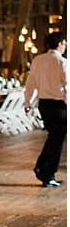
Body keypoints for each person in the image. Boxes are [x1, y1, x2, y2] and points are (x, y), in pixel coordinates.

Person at [25, 32, 66, 188]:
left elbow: (30, 82)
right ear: (60, 43)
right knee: (56, 140)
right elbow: (68, 85)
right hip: (59, 105)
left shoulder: (38, 60)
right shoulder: (62, 62)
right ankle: (45, 171)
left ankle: (46, 172)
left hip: (44, 105)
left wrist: (27, 101)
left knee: (53, 138)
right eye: (65, 43)